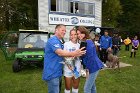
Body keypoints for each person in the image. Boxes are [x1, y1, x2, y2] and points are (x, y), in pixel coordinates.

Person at [42, 24, 86, 93]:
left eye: (65, 31)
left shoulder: (60, 42)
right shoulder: (55, 41)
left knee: (73, 87)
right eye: (62, 30)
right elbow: (61, 53)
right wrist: (74, 54)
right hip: (53, 72)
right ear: (56, 30)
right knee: (61, 89)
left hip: (60, 72)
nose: (64, 32)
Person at [77, 26, 104, 93]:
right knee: (92, 87)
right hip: (92, 66)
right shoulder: (84, 42)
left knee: (86, 89)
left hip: (93, 67)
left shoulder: (87, 42)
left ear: (85, 33)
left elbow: (90, 57)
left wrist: (87, 70)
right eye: (78, 34)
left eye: (81, 33)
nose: (79, 35)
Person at [63, 29, 81, 93]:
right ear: (70, 36)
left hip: (77, 70)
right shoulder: (66, 44)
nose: (73, 36)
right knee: (68, 88)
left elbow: (80, 57)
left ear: (77, 35)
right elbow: (64, 56)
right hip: (68, 69)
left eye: (75, 34)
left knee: (75, 87)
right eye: (71, 35)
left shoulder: (79, 45)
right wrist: (69, 65)